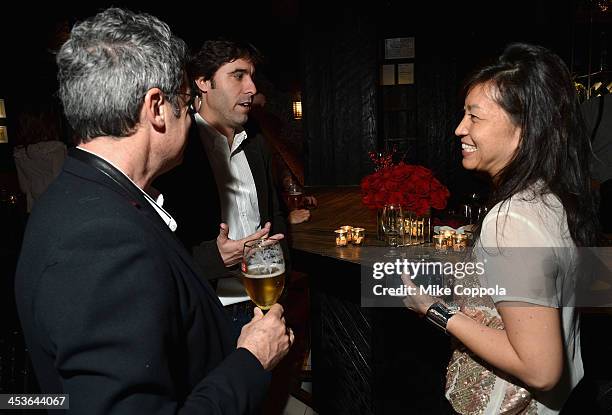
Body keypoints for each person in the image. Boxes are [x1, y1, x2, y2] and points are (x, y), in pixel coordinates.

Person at [14, 8, 292, 414]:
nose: (191, 112)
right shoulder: (100, 242)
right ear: (157, 108)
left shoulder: (86, 195)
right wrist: (252, 360)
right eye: (186, 99)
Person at [402, 43, 598, 414]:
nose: (459, 129)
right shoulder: (549, 196)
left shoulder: (511, 221)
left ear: (523, 129)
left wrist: (434, 310)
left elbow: (541, 370)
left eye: (475, 117)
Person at [154, 40, 289, 312]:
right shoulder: (175, 148)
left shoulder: (256, 144)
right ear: (203, 82)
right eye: (238, 76)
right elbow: (159, 249)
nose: (251, 88)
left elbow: (276, 218)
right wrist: (217, 258)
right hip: (207, 309)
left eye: (251, 77)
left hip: (263, 300)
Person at [12, 102, 68, 213]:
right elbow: (62, 181)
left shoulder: (20, 153)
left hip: (37, 208)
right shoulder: (56, 149)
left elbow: (24, 186)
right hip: (58, 206)